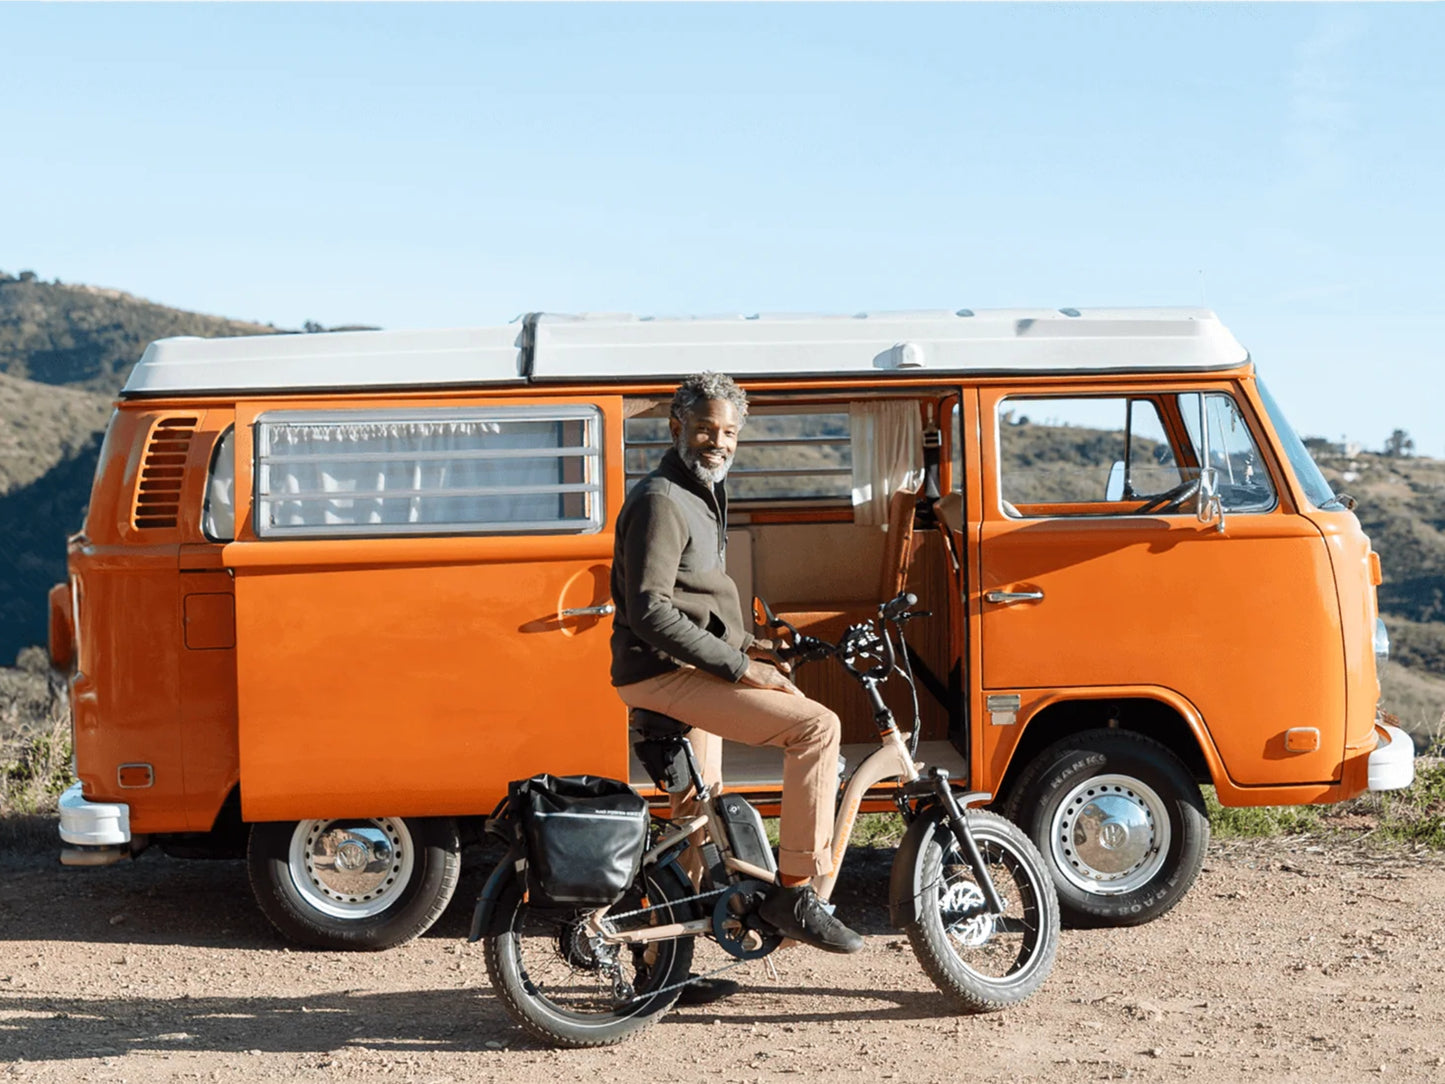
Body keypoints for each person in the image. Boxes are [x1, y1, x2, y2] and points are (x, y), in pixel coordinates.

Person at [610, 371, 865, 985]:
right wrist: (739, 666)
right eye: (704, 428)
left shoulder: (701, 493)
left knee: (700, 814)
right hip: (663, 672)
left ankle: (663, 966)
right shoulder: (662, 500)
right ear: (677, 427)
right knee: (817, 729)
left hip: (688, 666)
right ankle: (797, 894)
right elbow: (649, 610)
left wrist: (757, 649)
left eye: (728, 432)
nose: (716, 441)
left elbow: (698, 603)